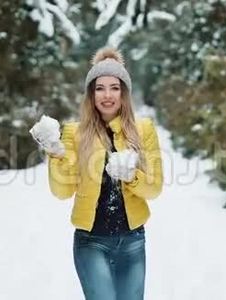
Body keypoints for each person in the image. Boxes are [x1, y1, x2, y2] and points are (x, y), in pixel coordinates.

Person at [46, 47, 163, 300]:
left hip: (133, 241)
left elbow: (154, 188)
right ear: (91, 94)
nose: (107, 95)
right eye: (100, 88)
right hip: (91, 242)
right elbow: (62, 191)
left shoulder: (143, 130)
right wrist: (55, 154)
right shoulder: (74, 132)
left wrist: (131, 176)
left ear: (124, 92)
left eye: (114, 87)